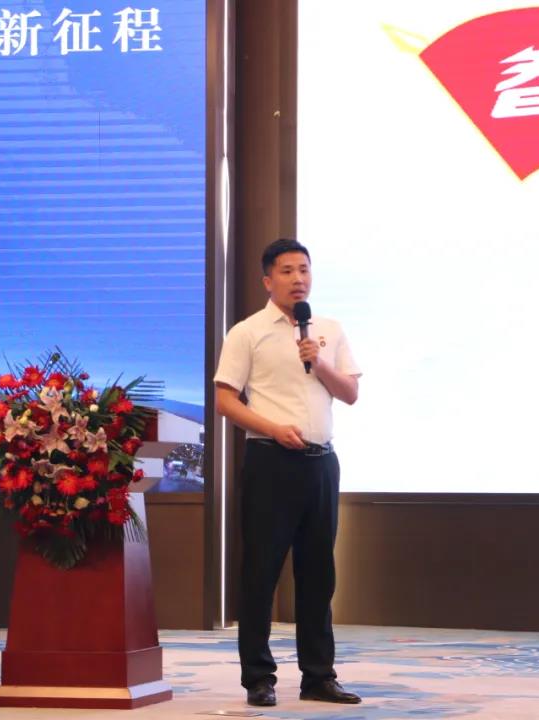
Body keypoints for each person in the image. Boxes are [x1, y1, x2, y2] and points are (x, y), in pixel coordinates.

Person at [214, 238, 362, 707]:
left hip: (322, 464)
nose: (298, 279)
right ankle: (259, 678)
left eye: (304, 270)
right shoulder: (247, 332)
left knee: (319, 574)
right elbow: (225, 400)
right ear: (267, 280)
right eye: (287, 271)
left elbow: (350, 393)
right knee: (261, 572)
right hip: (271, 462)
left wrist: (318, 360)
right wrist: (273, 429)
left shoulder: (329, 330)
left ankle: (318, 676)